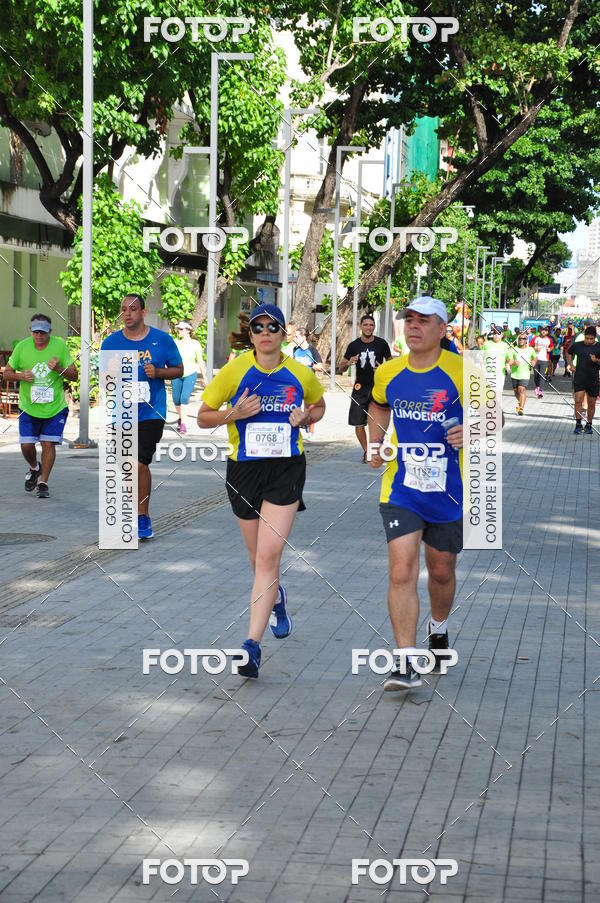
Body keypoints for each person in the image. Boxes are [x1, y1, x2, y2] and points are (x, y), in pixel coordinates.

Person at [197, 303, 326, 679]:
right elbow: (203, 417)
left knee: (269, 557)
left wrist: (307, 417)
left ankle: (251, 646)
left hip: (286, 468)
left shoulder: (300, 373)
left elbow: (317, 406)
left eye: (273, 326)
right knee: (257, 560)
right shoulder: (235, 370)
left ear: (284, 333)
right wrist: (232, 414)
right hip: (243, 470)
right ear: (250, 335)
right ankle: (277, 597)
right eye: (257, 327)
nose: (265, 332)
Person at [367, 296, 464, 691]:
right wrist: (375, 443)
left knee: (441, 571)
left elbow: (497, 417)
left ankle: (437, 629)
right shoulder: (388, 372)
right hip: (401, 488)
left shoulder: (462, 371)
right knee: (401, 570)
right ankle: (405, 662)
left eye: (425, 321)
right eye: (409, 319)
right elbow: (377, 406)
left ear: (443, 329)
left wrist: (473, 431)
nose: (414, 326)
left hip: (449, 491)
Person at [101, 294, 183, 541]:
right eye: (124, 309)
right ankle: (136, 510)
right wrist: (111, 374)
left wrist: (158, 372)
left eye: (133, 309)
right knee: (127, 466)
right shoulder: (111, 343)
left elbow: (179, 370)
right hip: (122, 413)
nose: (128, 313)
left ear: (143, 312)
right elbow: (104, 381)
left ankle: (142, 516)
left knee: (138, 463)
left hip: (151, 412)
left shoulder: (161, 340)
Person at [4, 314, 78, 498]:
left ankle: (43, 483)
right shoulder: (22, 347)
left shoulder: (59, 346)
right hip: (29, 407)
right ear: (30, 331)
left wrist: (60, 368)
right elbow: (7, 373)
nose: (39, 336)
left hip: (54, 408)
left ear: (50, 331)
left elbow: (74, 375)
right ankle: (34, 467)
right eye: (35, 332)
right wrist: (21, 376)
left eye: (43, 333)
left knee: (47, 443)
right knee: (26, 445)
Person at [339, 313, 392, 462]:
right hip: (360, 388)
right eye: (366, 325)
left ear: (374, 327)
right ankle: (367, 451)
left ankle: (376, 449)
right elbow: (341, 367)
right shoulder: (354, 345)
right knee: (358, 423)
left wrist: (383, 368)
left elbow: (391, 364)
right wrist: (349, 362)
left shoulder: (382, 344)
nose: (368, 328)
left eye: (371, 325)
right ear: (361, 326)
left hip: (378, 388)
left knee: (378, 422)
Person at [172, 321, 206, 434]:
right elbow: (169, 357)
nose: (179, 331)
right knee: (176, 399)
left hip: (190, 374)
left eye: (181, 329)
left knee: (184, 398)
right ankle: (181, 417)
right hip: (176, 374)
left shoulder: (195, 344)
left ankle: (183, 424)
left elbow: (200, 361)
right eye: (178, 329)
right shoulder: (175, 342)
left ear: (188, 330)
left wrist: (204, 377)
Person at [565, 325, 600, 435]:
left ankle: (589, 424)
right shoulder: (578, 345)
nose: (589, 341)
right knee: (578, 401)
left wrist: (597, 360)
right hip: (580, 377)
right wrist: (571, 365)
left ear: (595, 337)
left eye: (591, 339)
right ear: (584, 336)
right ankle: (578, 423)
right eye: (587, 338)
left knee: (591, 403)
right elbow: (568, 353)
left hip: (593, 378)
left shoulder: (599, 346)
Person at [508, 334, 537, 415]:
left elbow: (535, 357)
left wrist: (534, 362)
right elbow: (509, 360)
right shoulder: (513, 349)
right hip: (515, 373)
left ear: (526, 340)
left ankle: (521, 408)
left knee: (521, 389)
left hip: (525, 373)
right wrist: (513, 362)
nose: (521, 340)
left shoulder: (530, 349)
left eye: (523, 338)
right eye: (520, 338)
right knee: (516, 392)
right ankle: (520, 402)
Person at [531, 325, 553, 397]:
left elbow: (552, 346)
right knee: (536, 376)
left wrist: (550, 349)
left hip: (544, 360)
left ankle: (540, 391)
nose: (544, 331)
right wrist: (535, 348)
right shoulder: (536, 338)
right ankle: (537, 387)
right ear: (540, 330)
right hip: (536, 359)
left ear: (547, 332)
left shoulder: (549, 340)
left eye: (546, 330)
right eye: (543, 330)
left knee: (542, 375)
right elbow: (530, 346)